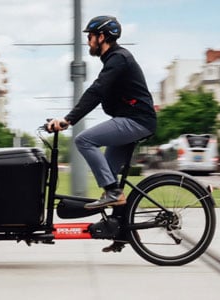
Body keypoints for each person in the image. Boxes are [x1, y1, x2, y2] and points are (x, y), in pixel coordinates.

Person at [48, 16, 157, 253]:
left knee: (84, 140)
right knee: (109, 177)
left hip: (136, 121)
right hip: (132, 120)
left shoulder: (118, 58)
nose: (88, 42)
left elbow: (96, 91)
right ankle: (123, 233)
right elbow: (101, 93)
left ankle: (113, 193)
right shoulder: (114, 60)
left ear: (102, 37)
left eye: (90, 37)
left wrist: (68, 120)